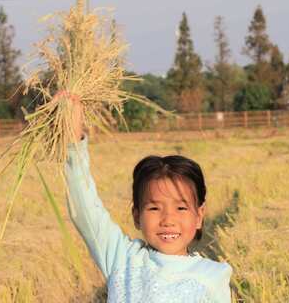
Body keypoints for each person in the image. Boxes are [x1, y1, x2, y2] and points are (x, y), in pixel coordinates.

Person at [64, 96, 232, 302]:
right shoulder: (123, 259)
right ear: (136, 216)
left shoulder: (212, 275)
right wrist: (73, 138)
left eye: (181, 208)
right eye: (154, 208)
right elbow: (85, 210)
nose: (168, 220)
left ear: (199, 216)